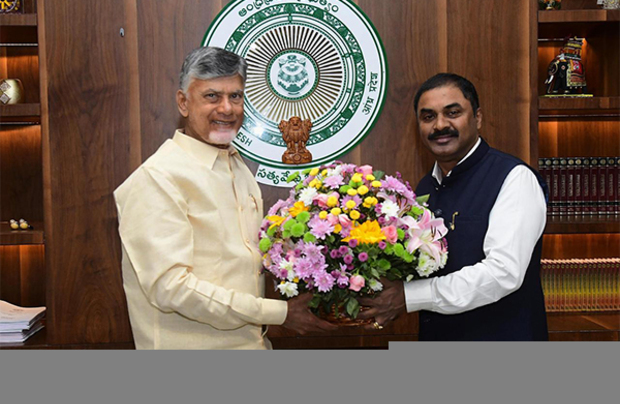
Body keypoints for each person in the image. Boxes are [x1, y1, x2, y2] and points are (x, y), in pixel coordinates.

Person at [114, 47, 336, 349]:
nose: (227, 108)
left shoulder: (238, 167)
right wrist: (278, 312)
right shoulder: (157, 178)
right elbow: (171, 289)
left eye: (236, 96)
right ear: (183, 102)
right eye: (211, 96)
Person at [358, 73, 549, 341]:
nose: (440, 125)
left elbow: (503, 273)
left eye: (453, 112)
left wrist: (408, 296)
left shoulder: (513, 178)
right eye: (428, 117)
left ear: (478, 118)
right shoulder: (424, 189)